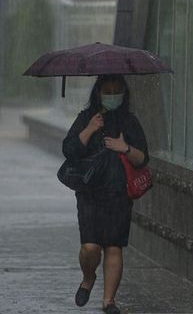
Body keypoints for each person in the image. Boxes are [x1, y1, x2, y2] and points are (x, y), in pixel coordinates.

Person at [62, 74, 149, 314]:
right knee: (90, 248)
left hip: (118, 195)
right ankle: (88, 278)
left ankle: (108, 301)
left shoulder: (129, 122)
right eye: (107, 90)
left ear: (124, 92)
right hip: (89, 194)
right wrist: (90, 128)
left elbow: (143, 159)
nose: (112, 95)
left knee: (113, 247)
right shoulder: (85, 118)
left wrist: (126, 148)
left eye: (116, 90)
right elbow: (69, 149)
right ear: (98, 92)